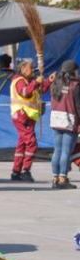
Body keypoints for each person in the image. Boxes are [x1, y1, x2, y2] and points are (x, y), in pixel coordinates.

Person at [10, 59, 49, 182]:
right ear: (23, 69)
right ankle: (26, 170)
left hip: (29, 116)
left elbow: (40, 90)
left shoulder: (29, 81)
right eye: (30, 68)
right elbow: (25, 93)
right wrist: (36, 82)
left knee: (22, 144)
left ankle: (16, 171)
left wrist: (49, 81)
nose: (33, 70)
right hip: (22, 115)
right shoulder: (19, 81)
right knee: (32, 143)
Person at [49, 60, 80, 189]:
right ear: (73, 71)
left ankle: (55, 178)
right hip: (69, 118)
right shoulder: (75, 85)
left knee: (57, 150)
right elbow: (78, 106)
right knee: (66, 151)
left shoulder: (56, 83)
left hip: (55, 118)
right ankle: (63, 178)